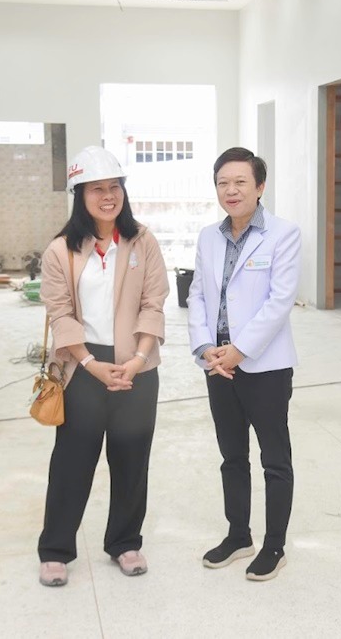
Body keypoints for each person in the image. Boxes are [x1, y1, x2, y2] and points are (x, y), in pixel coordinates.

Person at [37, 145, 168, 586]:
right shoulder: (60, 250)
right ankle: (56, 550)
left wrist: (137, 360)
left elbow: (154, 303)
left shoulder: (142, 241)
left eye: (114, 187)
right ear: (80, 195)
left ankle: (125, 543)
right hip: (82, 367)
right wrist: (91, 363)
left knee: (132, 456)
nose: (107, 196)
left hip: (136, 363)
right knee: (72, 460)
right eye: (96, 189)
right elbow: (60, 313)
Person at [187, 147, 300, 582]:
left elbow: (280, 301)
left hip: (264, 366)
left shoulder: (283, 234)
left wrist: (240, 349)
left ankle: (274, 546)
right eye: (223, 183)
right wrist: (205, 348)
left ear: (260, 187)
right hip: (218, 365)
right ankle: (238, 536)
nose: (230, 191)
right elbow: (198, 295)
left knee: (274, 459)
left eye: (240, 182)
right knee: (232, 456)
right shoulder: (207, 237)